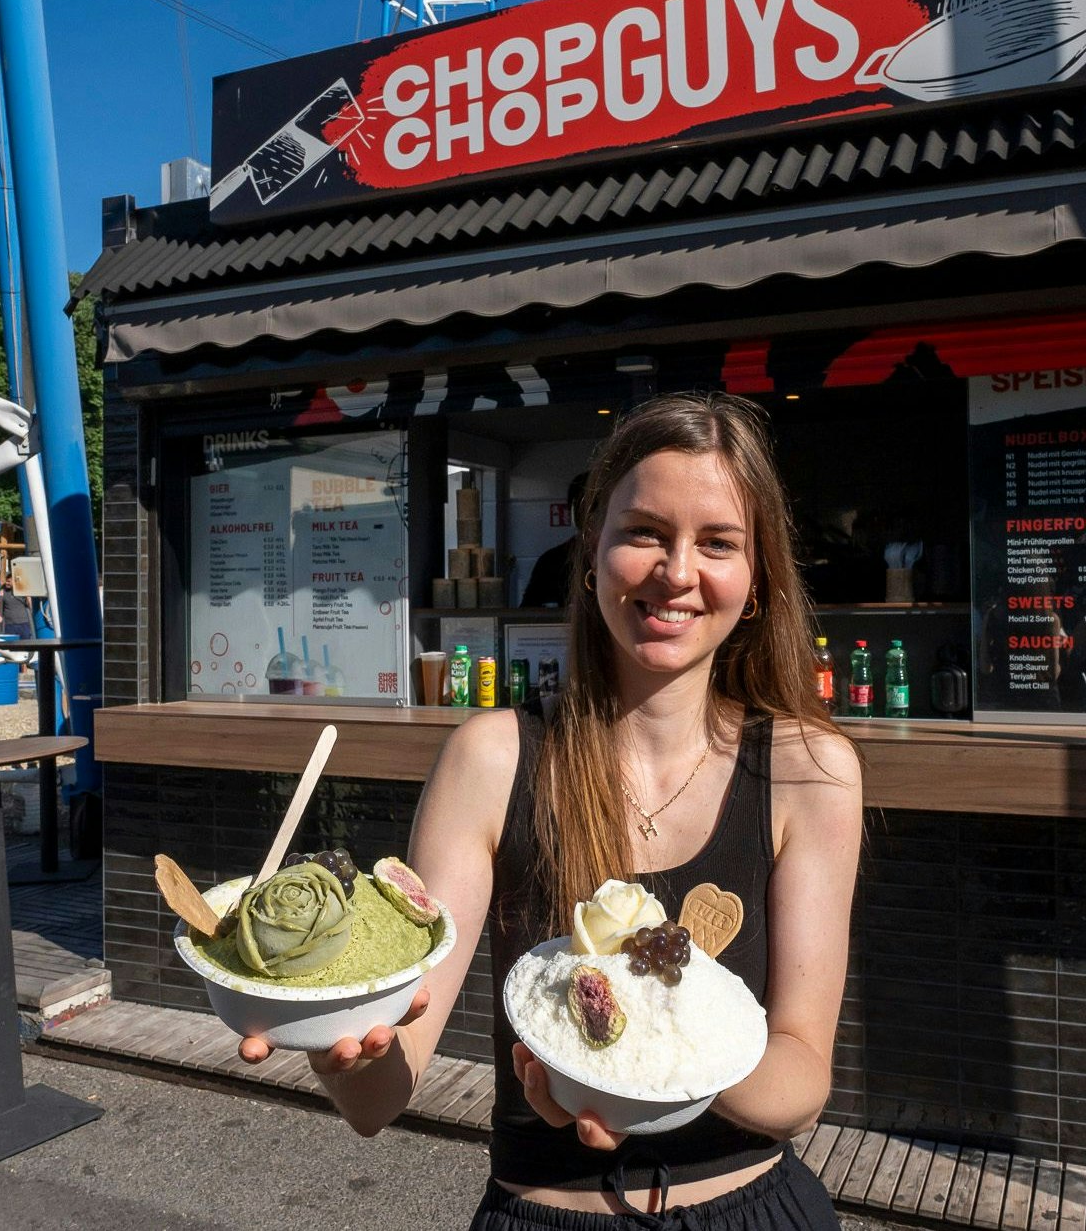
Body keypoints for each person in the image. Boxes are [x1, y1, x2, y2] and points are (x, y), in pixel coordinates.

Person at [245, 394, 863, 1228]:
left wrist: (644, 1058)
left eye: (717, 543)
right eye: (644, 531)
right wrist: (340, 1038)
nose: (677, 572)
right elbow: (382, 1096)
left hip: (756, 1208)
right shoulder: (493, 758)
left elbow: (799, 1081)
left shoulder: (808, 769)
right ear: (590, 553)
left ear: (755, 583)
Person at [518, 471, 588, 608]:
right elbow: (527, 615)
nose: (591, 516)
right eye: (584, 507)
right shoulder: (552, 562)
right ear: (573, 512)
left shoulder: (623, 561)